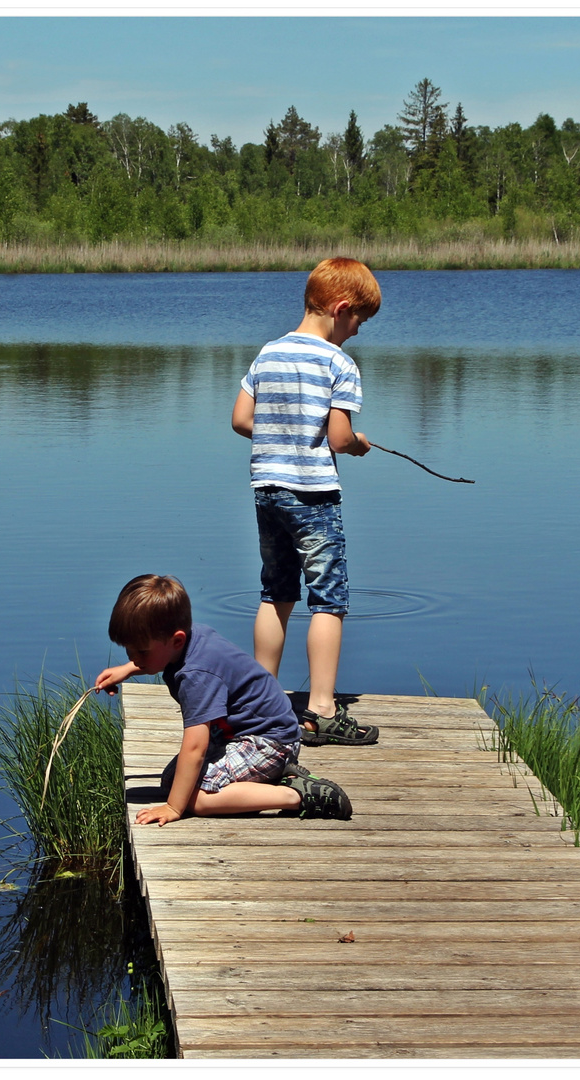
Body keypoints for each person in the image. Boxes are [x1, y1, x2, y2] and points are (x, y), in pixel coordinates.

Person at [230, 257, 382, 747]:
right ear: (341, 309)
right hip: (313, 497)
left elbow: (240, 419)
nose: (357, 331)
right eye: (358, 319)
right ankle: (321, 710)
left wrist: (282, 432)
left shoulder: (268, 353)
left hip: (266, 491)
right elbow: (338, 438)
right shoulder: (338, 363)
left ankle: (260, 704)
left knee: (275, 593)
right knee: (328, 600)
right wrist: (357, 442)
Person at [93, 574, 351, 824]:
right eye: (128, 650)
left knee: (196, 799)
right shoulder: (193, 637)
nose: (133, 657)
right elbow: (162, 656)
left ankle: (297, 795)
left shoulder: (195, 675)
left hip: (268, 742)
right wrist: (129, 668)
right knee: (172, 780)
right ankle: (270, 778)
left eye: (141, 651)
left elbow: (195, 747)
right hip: (254, 733)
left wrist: (173, 808)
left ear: (176, 639)